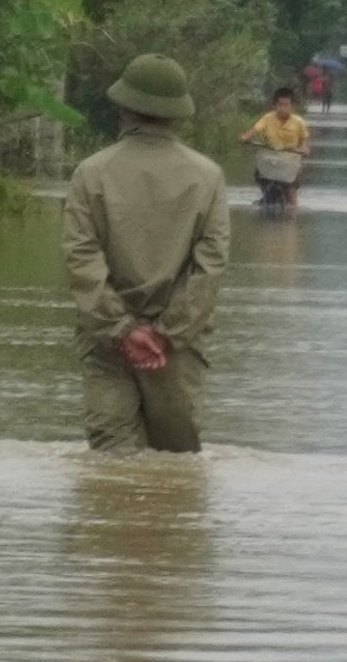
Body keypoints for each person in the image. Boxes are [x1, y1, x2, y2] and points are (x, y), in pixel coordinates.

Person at [64, 52, 228, 453]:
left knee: (111, 462)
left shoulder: (91, 173)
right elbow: (210, 268)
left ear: (122, 107)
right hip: (176, 348)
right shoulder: (208, 176)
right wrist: (167, 334)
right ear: (178, 112)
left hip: (106, 341)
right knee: (177, 466)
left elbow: (81, 259)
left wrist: (123, 331)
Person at [242, 87, 313, 211]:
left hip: (290, 162)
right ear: (275, 105)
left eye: (286, 105)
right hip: (270, 160)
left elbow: (304, 143)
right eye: (280, 105)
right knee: (259, 175)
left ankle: (293, 216)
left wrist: (305, 150)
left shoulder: (299, 122)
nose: (283, 108)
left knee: (291, 191)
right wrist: (244, 137)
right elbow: (255, 130)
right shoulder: (267, 118)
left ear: (292, 106)